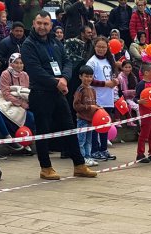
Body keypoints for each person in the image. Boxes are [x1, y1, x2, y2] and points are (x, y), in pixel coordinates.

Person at [22, 11, 97, 180]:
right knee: (43, 132)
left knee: (69, 128)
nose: (42, 27)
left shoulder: (56, 42)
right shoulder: (28, 44)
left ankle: (79, 164)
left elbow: (67, 61)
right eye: (39, 23)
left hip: (58, 93)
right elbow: (35, 70)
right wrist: (56, 82)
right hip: (41, 93)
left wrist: (64, 78)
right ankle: (46, 168)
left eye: (46, 24)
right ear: (34, 23)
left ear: (50, 25)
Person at [0, 53, 35, 156]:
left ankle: (25, 143)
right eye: (16, 63)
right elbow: (5, 93)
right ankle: (16, 142)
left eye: (21, 63)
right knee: (9, 115)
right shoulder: (5, 74)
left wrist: (23, 102)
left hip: (21, 102)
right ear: (11, 63)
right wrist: (20, 103)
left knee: (30, 117)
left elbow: (24, 92)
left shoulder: (25, 75)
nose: (19, 65)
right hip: (7, 101)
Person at [86, 36, 118, 161]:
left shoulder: (109, 60)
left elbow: (111, 76)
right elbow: (89, 80)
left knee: (105, 125)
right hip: (96, 99)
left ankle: (104, 149)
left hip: (108, 99)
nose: (101, 49)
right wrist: (105, 84)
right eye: (98, 47)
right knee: (96, 126)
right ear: (94, 47)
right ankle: (94, 150)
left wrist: (114, 81)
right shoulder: (92, 62)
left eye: (103, 47)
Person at [72, 65, 99, 167]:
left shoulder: (93, 90)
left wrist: (98, 108)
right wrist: (89, 107)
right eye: (86, 76)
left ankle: (88, 157)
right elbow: (76, 105)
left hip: (90, 120)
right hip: (82, 120)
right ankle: (81, 158)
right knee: (81, 141)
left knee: (89, 141)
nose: (88, 79)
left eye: (90, 76)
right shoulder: (80, 90)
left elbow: (94, 103)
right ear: (80, 77)